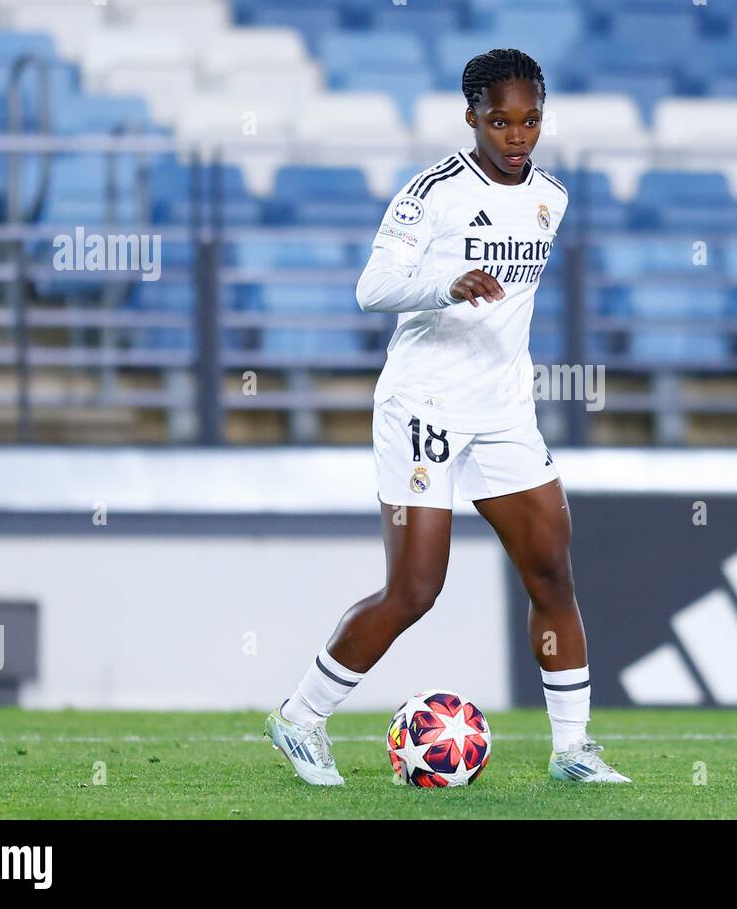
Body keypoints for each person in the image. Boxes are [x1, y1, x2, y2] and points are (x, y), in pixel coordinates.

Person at [264, 48, 630, 785]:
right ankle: (298, 719)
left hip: (503, 413)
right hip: (423, 406)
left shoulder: (552, 198)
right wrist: (445, 283)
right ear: (472, 117)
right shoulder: (432, 191)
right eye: (500, 121)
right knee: (416, 590)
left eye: (530, 120)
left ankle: (572, 751)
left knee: (552, 575)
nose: (517, 136)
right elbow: (373, 287)